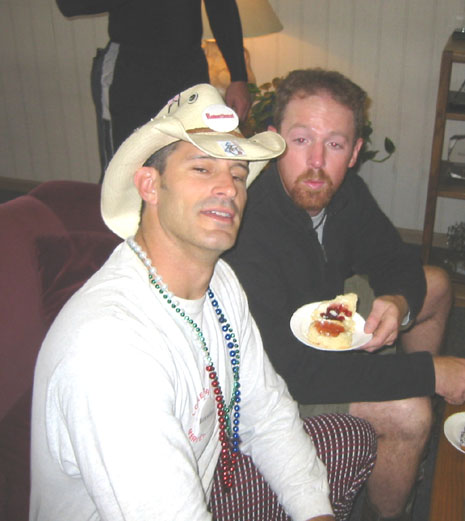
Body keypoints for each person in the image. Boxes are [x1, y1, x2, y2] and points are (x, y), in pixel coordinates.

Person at [29, 84, 377, 521]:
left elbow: (266, 413)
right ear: (150, 185)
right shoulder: (109, 351)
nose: (227, 188)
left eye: (237, 174)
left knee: (353, 439)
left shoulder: (220, 281)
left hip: (208, 478)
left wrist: (314, 513)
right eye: (201, 168)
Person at [223, 68, 465, 521]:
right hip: (277, 377)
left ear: (354, 153)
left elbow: (395, 258)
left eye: (334, 144)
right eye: (301, 140)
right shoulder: (247, 226)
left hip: (322, 312)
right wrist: (429, 374)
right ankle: (387, 509)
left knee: (432, 284)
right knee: (409, 413)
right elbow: (297, 372)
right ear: (274, 141)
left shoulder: (346, 191)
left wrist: (399, 303)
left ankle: (407, 450)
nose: (316, 161)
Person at [55, 0, 252, 179]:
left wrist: (238, 77)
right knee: (124, 172)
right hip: (129, 69)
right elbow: (69, 5)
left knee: (189, 166)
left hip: (188, 68)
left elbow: (221, 7)